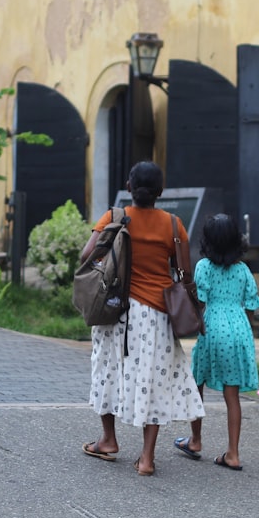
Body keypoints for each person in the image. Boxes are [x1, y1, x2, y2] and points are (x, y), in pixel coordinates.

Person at [80, 161, 205, 476]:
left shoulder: (115, 217)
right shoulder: (174, 225)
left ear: (129, 188)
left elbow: (87, 255)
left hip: (116, 310)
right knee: (153, 381)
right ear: (160, 193)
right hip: (157, 316)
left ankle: (108, 440)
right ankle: (147, 459)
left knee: (108, 370)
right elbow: (185, 273)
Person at [174, 214, 259, 471]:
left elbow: (199, 301)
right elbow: (252, 305)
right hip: (239, 329)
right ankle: (233, 453)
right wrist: (244, 328)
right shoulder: (243, 270)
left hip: (211, 327)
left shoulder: (203, 267)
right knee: (231, 395)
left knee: (197, 384)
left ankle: (195, 440)